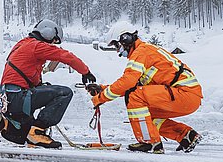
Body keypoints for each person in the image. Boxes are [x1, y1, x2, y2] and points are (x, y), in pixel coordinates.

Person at [87, 21, 203, 154]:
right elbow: (132, 85)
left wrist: (100, 98)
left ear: (126, 39)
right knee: (145, 116)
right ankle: (186, 136)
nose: (117, 50)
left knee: (135, 97)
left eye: (116, 45)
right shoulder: (145, 52)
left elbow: (128, 82)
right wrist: (102, 88)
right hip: (187, 96)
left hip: (184, 94)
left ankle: (149, 142)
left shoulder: (141, 53)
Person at [0, 19, 96, 149]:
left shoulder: (21, 44)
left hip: (8, 99)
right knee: (64, 93)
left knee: (20, 137)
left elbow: (27, 74)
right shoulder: (38, 46)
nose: (54, 44)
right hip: (18, 98)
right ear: (47, 33)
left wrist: (40, 86)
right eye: (54, 40)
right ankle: (38, 132)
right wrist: (85, 71)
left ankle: (5, 123)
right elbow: (65, 56)